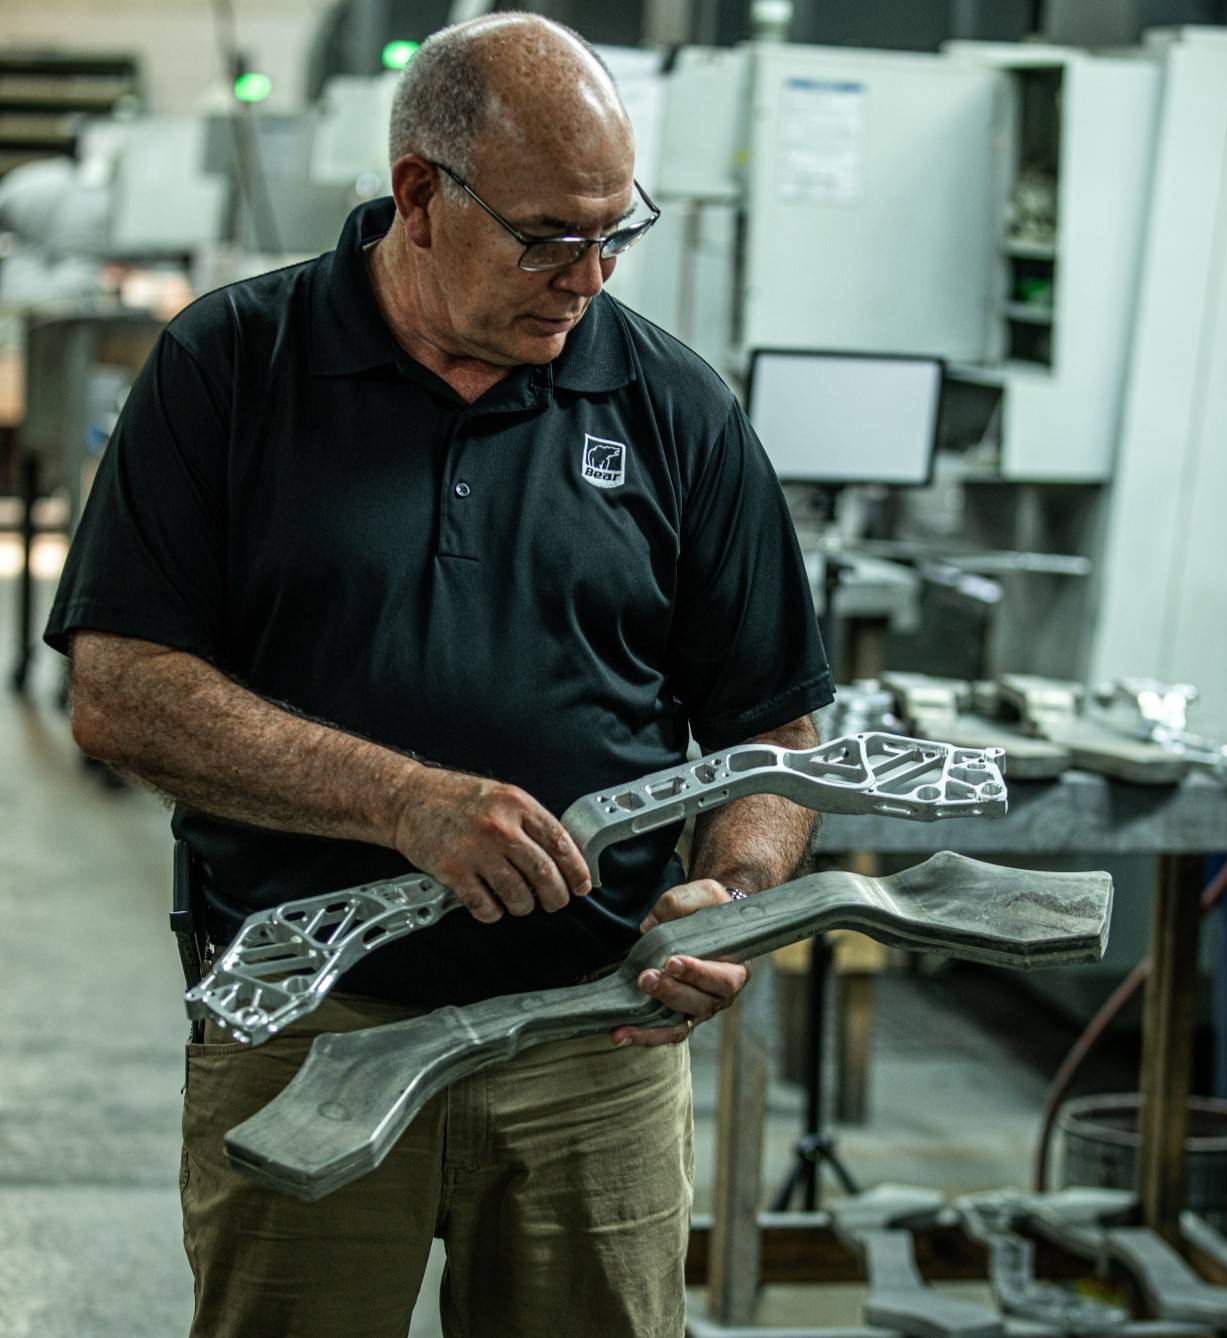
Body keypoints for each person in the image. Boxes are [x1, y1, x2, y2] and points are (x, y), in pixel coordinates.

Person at [45, 13, 833, 1338]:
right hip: (311, 1029)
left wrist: (732, 896)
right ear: (419, 197)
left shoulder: (673, 406)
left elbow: (777, 728)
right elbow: (121, 690)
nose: (587, 278)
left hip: (595, 1042)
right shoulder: (228, 370)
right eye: (548, 238)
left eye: (615, 232)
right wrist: (400, 801)